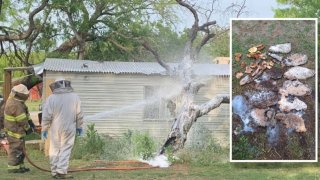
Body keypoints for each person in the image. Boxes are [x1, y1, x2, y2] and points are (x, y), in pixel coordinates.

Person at [42, 78, 83, 179]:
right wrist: (79, 127)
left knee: (54, 148)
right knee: (65, 148)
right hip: (69, 127)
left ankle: (54, 171)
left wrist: (44, 128)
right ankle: (61, 171)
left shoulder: (51, 98)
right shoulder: (75, 97)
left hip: (55, 128)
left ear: (56, 86)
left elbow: (46, 115)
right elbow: (79, 114)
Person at [4, 84, 35, 173]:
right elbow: (21, 119)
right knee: (15, 150)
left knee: (20, 150)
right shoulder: (14, 104)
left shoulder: (18, 102)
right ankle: (13, 168)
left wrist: (31, 122)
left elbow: (25, 115)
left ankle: (20, 166)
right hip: (14, 132)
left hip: (17, 131)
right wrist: (28, 128)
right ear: (20, 94)